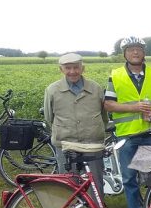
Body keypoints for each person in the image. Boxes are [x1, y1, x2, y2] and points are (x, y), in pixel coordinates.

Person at [104, 36, 151, 208]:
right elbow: (108, 104)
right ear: (125, 53)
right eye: (131, 49)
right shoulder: (115, 75)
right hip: (126, 135)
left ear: (144, 52)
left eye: (138, 49)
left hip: (149, 133)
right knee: (129, 177)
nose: (135, 52)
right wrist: (133, 108)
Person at [43, 53, 108, 192]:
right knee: (68, 183)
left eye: (76, 67)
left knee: (96, 182)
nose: (72, 71)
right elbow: (49, 117)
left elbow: (104, 116)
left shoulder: (96, 88)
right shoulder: (52, 90)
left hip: (92, 143)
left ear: (82, 68)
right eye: (68, 68)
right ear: (61, 69)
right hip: (66, 143)